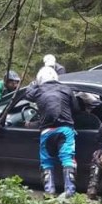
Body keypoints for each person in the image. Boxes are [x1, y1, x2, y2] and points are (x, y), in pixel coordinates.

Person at [23, 66, 79, 196]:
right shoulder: (66, 89)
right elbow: (76, 108)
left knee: (46, 161)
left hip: (46, 131)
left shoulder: (38, 91)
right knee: (67, 159)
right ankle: (70, 192)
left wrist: (33, 85)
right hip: (65, 129)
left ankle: (49, 192)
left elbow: (27, 94)